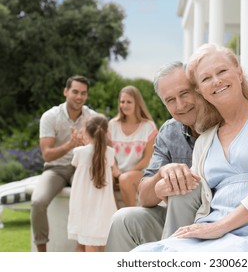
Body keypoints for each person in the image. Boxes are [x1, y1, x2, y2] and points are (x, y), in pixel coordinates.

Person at [104, 61, 248, 252]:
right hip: (185, 217)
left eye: (185, 93)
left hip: (230, 218)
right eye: (170, 100)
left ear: (200, 89)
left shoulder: (232, 117)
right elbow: (144, 197)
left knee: (187, 188)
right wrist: (162, 176)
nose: (180, 105)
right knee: (124, 219)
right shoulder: (169, 132)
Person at [32, 75, 95, 252]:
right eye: (75, 92)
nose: (79, 97)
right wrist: (71, 144)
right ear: (66, 92)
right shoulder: (50, 117)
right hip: (56, 169)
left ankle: (80, 248)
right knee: (38, 202)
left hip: (80, 169)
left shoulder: (91, 117)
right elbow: (47, 155)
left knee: (90, 198)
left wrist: (90, 143)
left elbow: (105, 144)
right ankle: (42, 252)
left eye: (83, 93)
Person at [68, 114, 117, 252]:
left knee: (88, 240)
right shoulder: (110, 153)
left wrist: (84, 144)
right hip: (103, 205)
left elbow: (76, 164)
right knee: (103, 240)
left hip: (84, 204)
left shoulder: (79, 152)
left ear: (86, 132)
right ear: (106, 132)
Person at [108, 85, 158, 207]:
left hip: (140, 172)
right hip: (117, 171)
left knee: (125, 179)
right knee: (102, 177)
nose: (124, 105)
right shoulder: (112, 125)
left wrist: (126, 172)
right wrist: (115, 169)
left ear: (137, 104)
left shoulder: (148, 127)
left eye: (129, 102)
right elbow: (108, 152)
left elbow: (147, 159)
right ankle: (113, 214)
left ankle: (129, 215)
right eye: (122, 102)